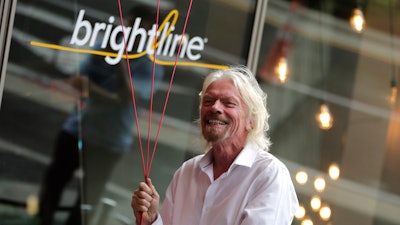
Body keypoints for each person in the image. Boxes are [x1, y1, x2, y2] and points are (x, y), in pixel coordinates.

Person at [37, 4, 164, 225]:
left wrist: (123, 62)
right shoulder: (104, 47)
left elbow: (129, 96)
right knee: (54, 182)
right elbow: (79, 80)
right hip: (78, 128)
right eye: (131, 24)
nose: (132, 31)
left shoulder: (150, 65)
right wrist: (112, 98)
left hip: (110, 141)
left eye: (141, 28)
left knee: (88, 197)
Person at [131, 65, 299, 225]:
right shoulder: (187, 172)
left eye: (229, 103)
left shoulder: (269, 174)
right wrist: (150, 220)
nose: (215, 107)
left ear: (251, 121)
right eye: (208, 101)